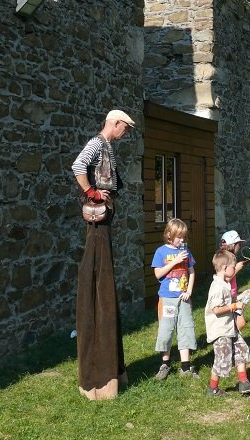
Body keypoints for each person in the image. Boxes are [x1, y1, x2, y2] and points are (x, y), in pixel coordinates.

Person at [72, 108, 136, 400]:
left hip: (105, 219)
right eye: (126, 128)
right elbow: (78, 166)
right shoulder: (97, 143)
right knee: (97, 279)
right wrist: (92, 193)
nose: (127, 133)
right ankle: (98, 381)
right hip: (97, 220)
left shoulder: (108, 146)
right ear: (115, 123)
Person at [204, 249, 250, 396]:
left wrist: (239, 299)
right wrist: (234, 306)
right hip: (220, 330)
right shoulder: (217, 287)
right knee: (222, 358)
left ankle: (243, 382)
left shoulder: (224, 284)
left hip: (229, 327)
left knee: (242, 349)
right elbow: (216, 310)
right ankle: (213, 388)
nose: (234, 269)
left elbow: (228, 303)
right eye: (233, 267)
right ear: (225, 268)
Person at [151, 218, 198, 379]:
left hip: (183, 298)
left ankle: (185, 366)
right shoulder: (161, 252)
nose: (182, 240)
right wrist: (175, 262)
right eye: (179, 237)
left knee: (185, 328)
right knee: (166, 329)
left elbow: (191, 271)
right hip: (167, 299)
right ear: (169, 235)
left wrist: (189, 291)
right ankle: (165, 363)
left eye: (184, 237)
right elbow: (158, 274)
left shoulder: (186, 252)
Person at [220, 230, 250, 330]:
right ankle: (231, 338)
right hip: (227, 296)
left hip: (232, 295)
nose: (240, 246)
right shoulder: (226, 259)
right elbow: (225, 278)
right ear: (232, 245)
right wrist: (237, 268)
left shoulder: (230, 257)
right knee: (239, 322)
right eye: (239, 244)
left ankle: (233, 338)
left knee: (238, 321)